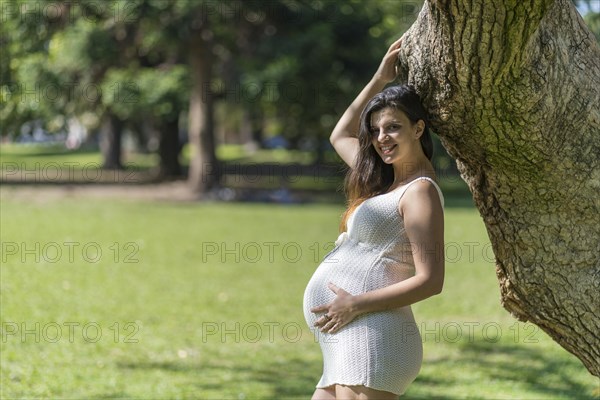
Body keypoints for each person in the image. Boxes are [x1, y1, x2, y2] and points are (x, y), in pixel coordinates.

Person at [302, 37, 445, 399]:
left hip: (373, 336)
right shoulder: (382, 180)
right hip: (345, 338)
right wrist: (380, 78)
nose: (381, 138)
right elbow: (341, 134)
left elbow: (431, 280)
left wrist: (355, 303)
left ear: (419, 128)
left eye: (393, 127)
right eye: (377, 130)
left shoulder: (420, 192)